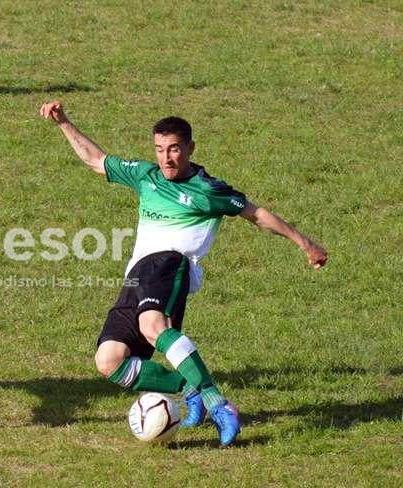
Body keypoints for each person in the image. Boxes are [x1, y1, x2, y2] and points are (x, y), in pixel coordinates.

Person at [39, 100, 327, 446]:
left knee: (153, 326)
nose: (166, 158)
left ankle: (219, 404)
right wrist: (63, 122)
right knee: (109, 361)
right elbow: (96, 160)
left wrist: (305, 243)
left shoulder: (209, 190)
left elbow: (256, 214)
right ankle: (190, 390)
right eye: (160, 149)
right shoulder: (145, 176)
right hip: (138, 274)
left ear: (190, 148)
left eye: (174, 149)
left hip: (170, 262)